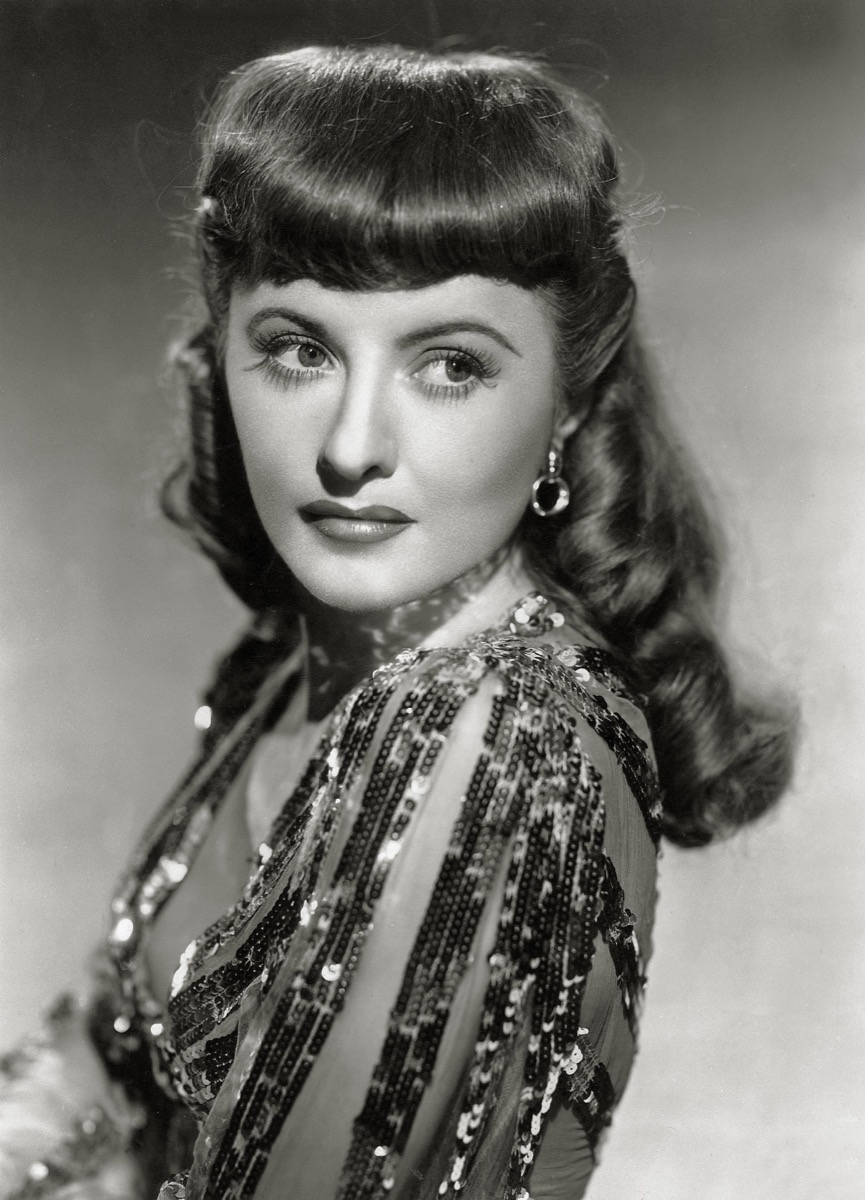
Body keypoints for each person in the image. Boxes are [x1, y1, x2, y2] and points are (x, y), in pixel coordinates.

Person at [0, 43, 795, 1200]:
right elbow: (100, 1052)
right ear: (222, 348)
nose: (352, 445)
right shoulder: (303, 658)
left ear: (567, 400)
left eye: (449, 366)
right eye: (299, 350)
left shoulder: (495, 744)